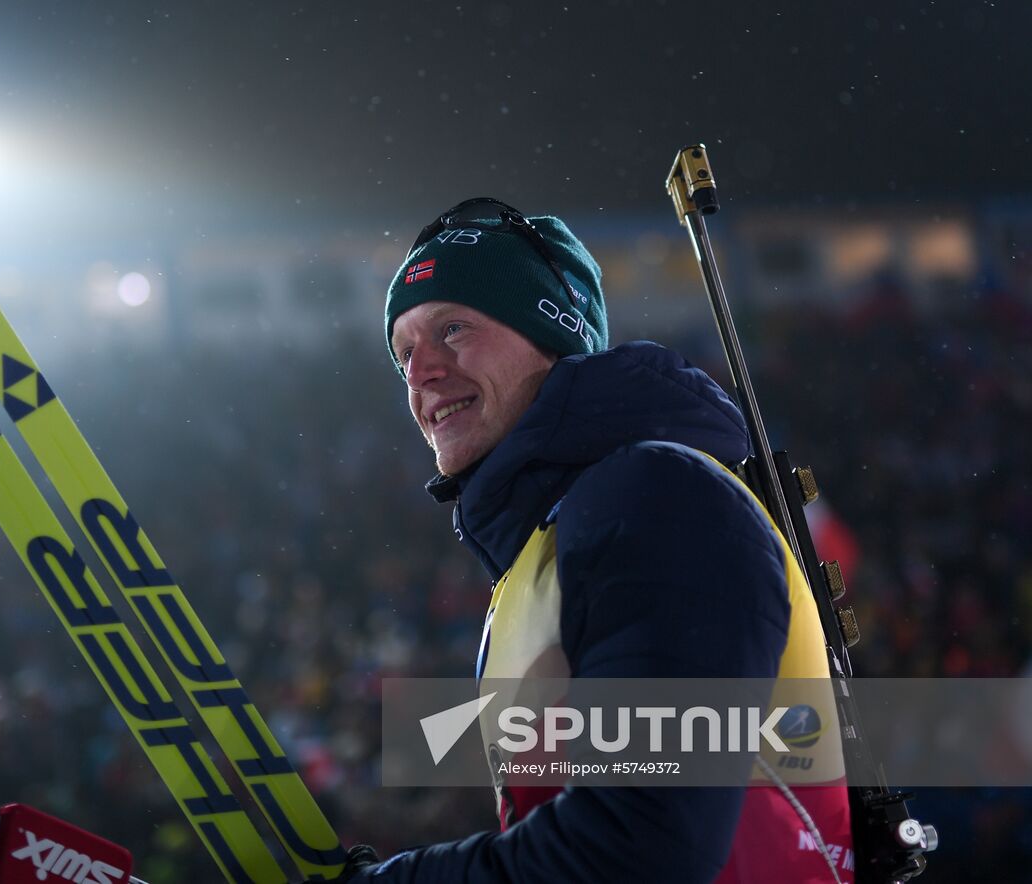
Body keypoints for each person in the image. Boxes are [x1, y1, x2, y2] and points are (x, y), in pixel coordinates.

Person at [340, 198, 852, 883]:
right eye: (403, 351)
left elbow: (640, 848)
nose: (419, 371)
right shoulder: (550, 547)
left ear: (552, 332)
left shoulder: (658, 494)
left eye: (453, 328)